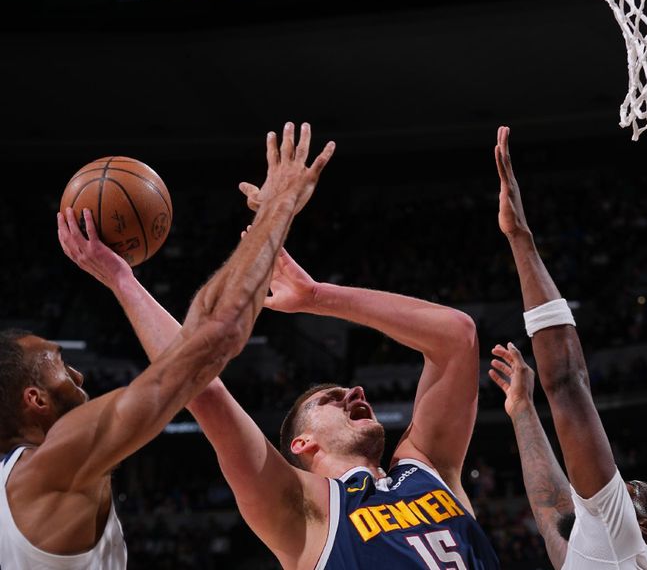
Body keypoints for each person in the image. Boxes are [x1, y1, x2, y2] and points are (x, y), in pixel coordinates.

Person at [59, 155, 500, 569]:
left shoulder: (428, 467)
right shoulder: (300, 507)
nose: (355, 391)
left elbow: (456, 336)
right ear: (302, 444)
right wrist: (120, 279)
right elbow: (200, 386)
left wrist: (316, 296)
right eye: (330, 398)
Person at [1, 121, 334, 569]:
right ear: (34, 398)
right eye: (59, 364)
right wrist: (279, 206)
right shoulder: (57, 462)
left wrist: (121, 279)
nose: (78, 375)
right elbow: (214, 338)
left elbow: (200, 380)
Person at [488, 126, 647, 570]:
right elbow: (555, 512)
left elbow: (566, 382)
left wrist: (520, 237)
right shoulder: (610, 551)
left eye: (628, 490)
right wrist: (522, 409)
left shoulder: (625, 544)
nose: (613, 486)